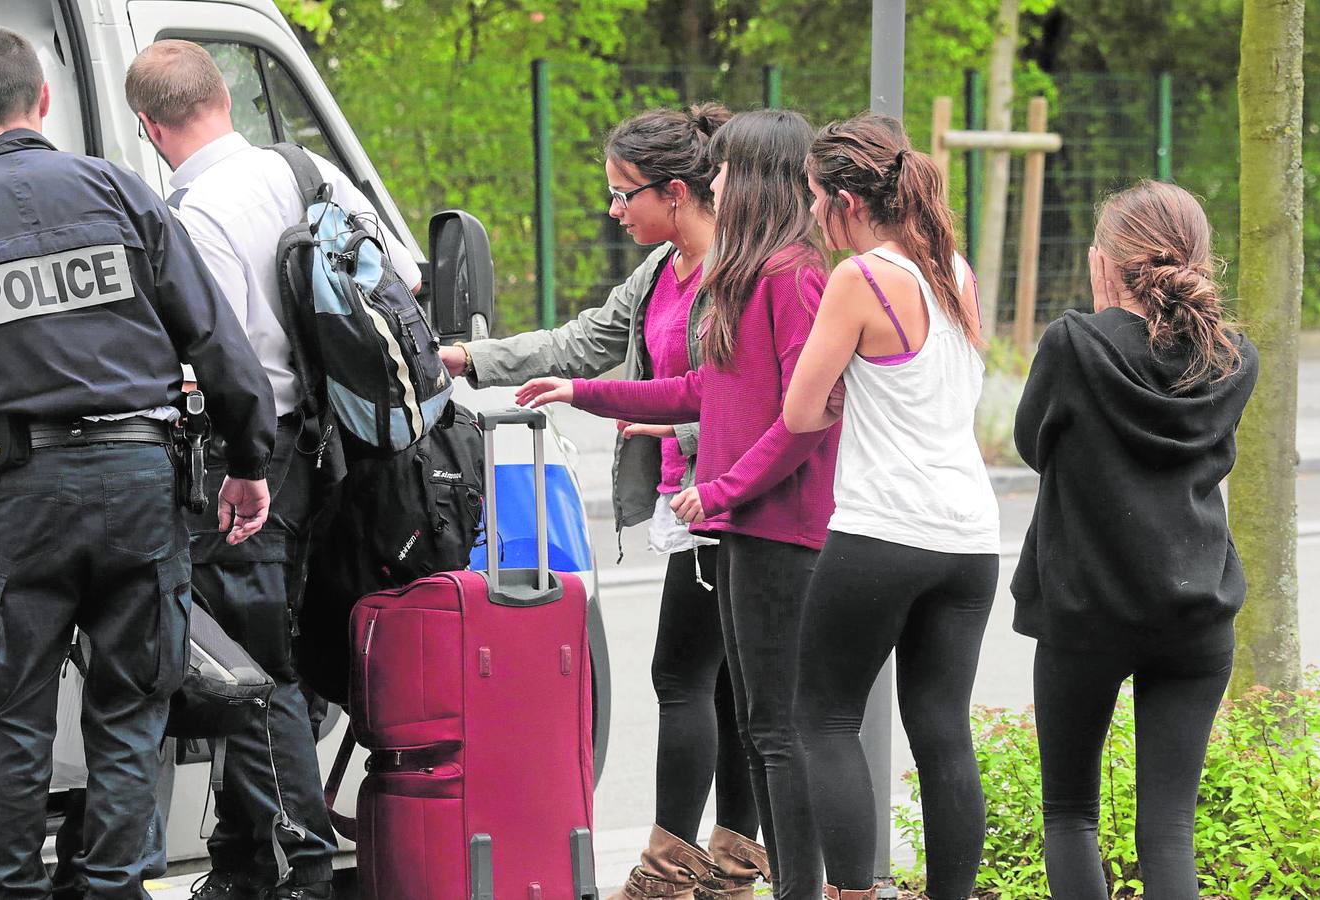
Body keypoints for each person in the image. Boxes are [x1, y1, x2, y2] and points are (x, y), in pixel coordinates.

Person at [0, 26, 276, 900]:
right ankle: (114, 888)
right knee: (130, 712)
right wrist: (248, 459)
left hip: (20, 494)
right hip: (141, 484)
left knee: (13, 717)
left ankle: (4, 889)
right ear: (42, 102)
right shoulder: (116, 189)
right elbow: (216, 337)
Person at [440, 104, 767, 899]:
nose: (615, 210)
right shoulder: (659, 274)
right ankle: (731, 865)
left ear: (679, 192)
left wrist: (645, 408)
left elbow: (737, 398)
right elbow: (582, 341)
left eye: (627, 195)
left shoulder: (739, 274)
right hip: (688, 504)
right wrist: (466, 357)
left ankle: (666, 873)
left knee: (681, 678)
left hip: (729, 501)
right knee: (725, 689)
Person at [124, 39, 421, 900]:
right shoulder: (303, 168)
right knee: (273, 651)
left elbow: (212, 360)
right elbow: (398, 278)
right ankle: (247, 858)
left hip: (246, 461)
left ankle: (299, 869)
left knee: (253, 672)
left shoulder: (194, 215)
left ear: (149, 126)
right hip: (326, 450)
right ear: (223, 96)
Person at [517, 108, 835, 900]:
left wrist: (720, 489)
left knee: (762, 719)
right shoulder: (741, 272)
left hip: (762, 521)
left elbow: (806, 413)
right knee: (750, 711)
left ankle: (706, 873)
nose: (717, 181)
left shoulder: (791, 274)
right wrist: (587, 392)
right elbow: (707, 389)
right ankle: (726, 865)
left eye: (725, 170)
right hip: (727, 513)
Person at [1010, 180, 1257, 900]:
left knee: (1070, 815)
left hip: (1086, 608)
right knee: (1169, 831)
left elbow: (1034, 444)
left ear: (1106, 264)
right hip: (1198, 612)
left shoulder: (1073, 344)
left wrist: (1102, 320)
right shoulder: (1234, 358)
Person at [782, 113, 999, 900]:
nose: (810, 215)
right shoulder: (956, 273)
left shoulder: (860, 278)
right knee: (943, 733)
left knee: (825, 718)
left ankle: (852, 894)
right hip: (971, 537)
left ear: (847, 199)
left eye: (813, 198)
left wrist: (843, 391)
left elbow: (801, 411)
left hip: (882, 530)